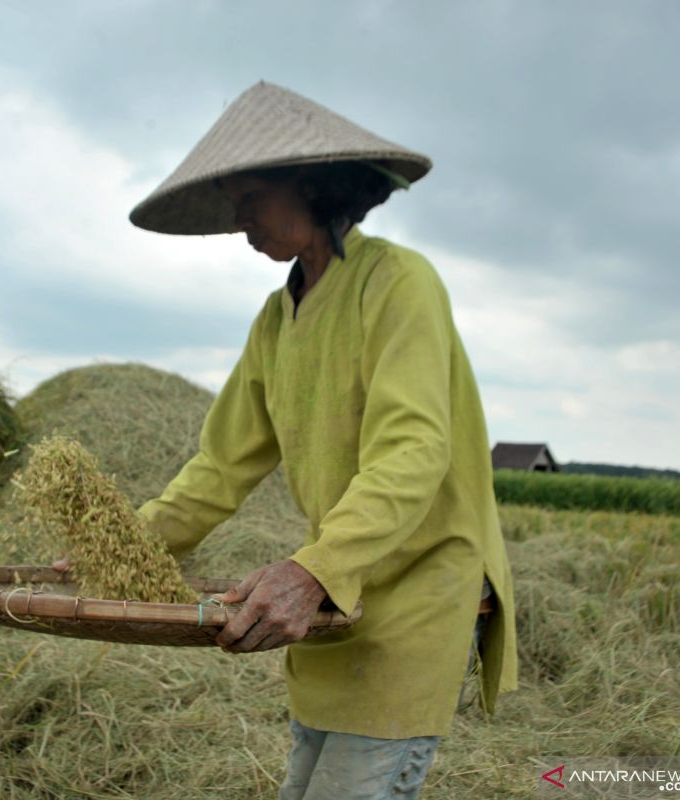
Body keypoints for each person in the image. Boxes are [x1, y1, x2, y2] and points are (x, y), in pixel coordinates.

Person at [125, 82, 518, 798]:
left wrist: (313, 569)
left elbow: (413, 450)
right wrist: (128, 544)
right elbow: (219, 465)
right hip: (337, 605)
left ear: (312, 183)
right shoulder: (276, 321)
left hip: (411, 591)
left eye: (249, 197)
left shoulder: (397, 283)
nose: (239, 220)